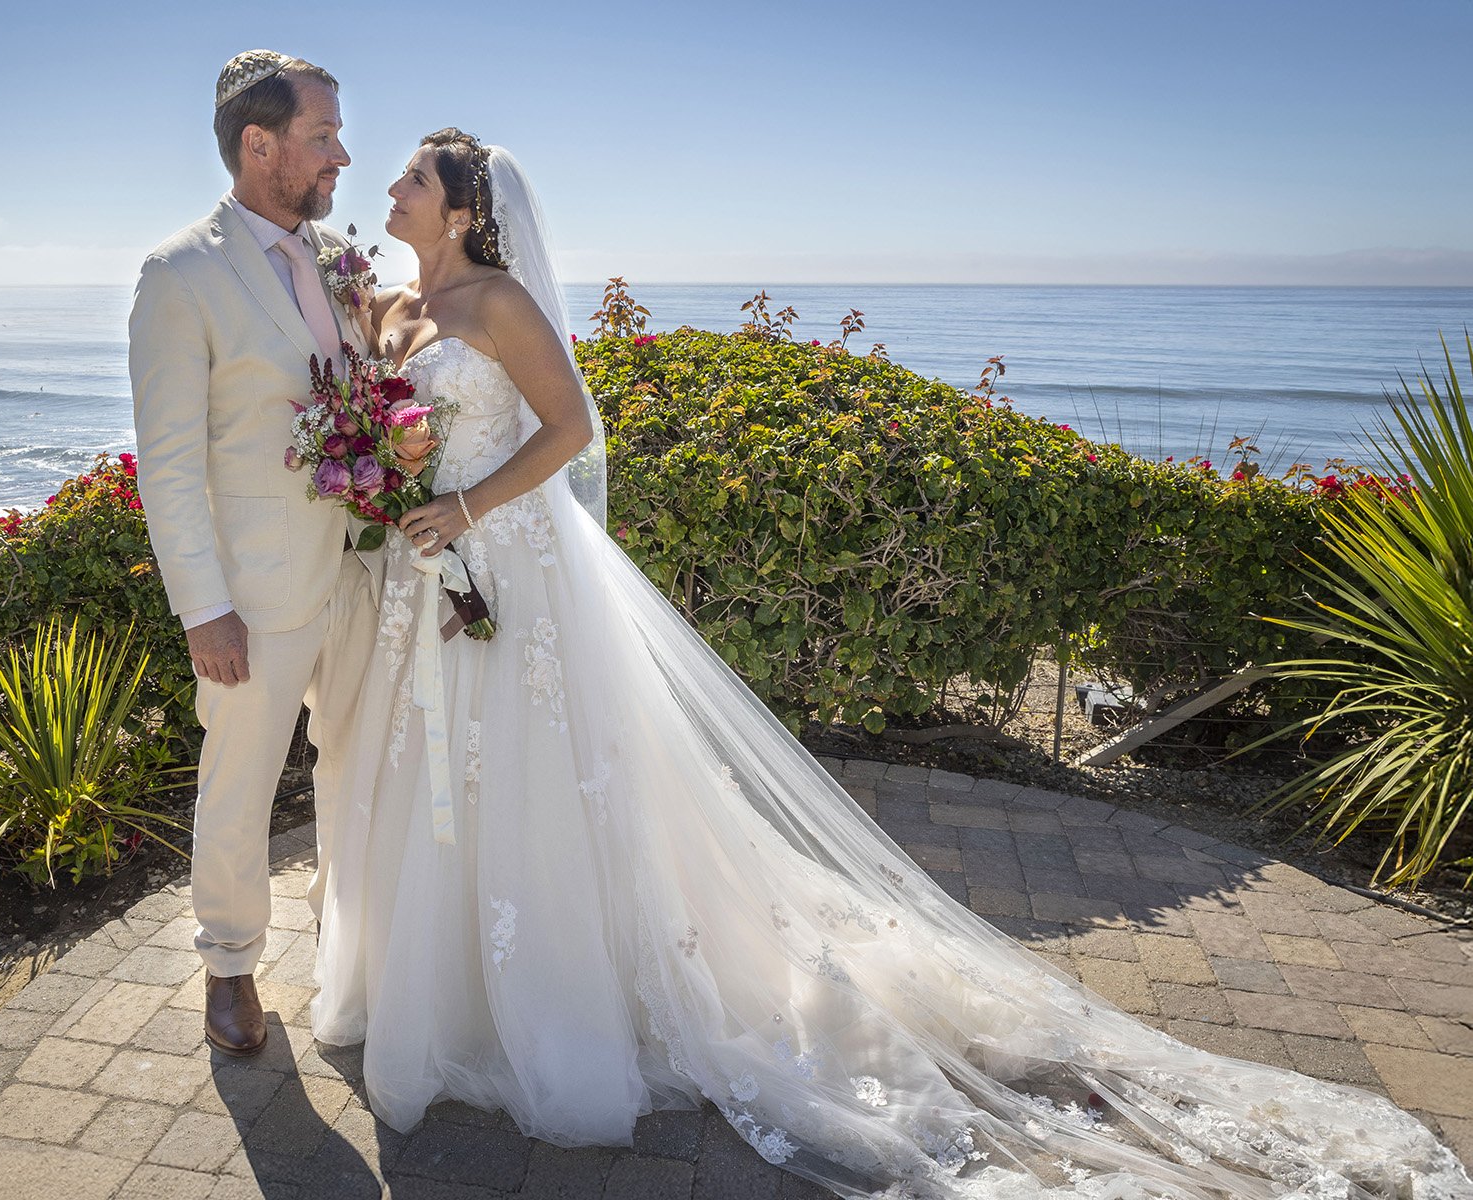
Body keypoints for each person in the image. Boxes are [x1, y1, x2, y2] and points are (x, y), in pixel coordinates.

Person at [308, 130, 1471, 1197]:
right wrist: (373, 401)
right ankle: (441, 983)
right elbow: (379, 406)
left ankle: (557, 996)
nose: (394, 189)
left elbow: (570, 433)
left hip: (508, 565)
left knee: (529, 775)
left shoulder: (502, 302)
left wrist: (462, 506)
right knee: (438, 773)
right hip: (430, 584)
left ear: (463, 209)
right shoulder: (403, 301)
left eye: (414, 179)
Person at [128, 50, 379, 1058]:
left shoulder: (339, 263)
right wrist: (203, 609)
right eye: (324, 136)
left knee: (361, 773)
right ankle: (228, 967)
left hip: (362, 576)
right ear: (259, 144)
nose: (343, 155)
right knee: (236, 789)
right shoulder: (179, 276)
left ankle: (349, 947)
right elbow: (170, 465)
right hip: (254, 599)